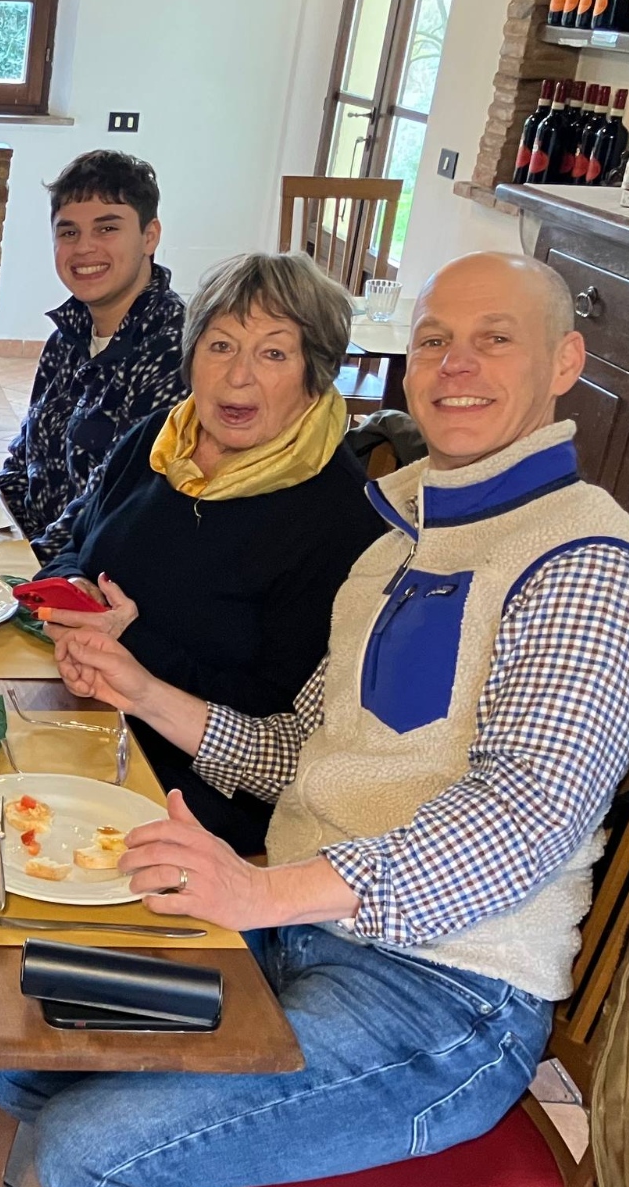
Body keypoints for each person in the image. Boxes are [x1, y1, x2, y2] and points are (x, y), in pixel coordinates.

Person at [0, 252, 629, 1187]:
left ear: (565, 362)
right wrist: (138, 688)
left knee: (85, 1155)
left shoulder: (588, 567)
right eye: (433, 340)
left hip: (445, 1001)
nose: (454, 366)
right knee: (11, 1028)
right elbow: (293, 755)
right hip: (298, 934)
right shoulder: (397, 542)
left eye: (494, 339)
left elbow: (519, 822)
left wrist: (257, 892)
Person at [36, 252, 383, 855]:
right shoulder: (160, 439)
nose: (238, 376)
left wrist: (128, 639)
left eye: (274, 354)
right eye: (220, 346)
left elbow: (276, 717)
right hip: (88, 713)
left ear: (316, 376)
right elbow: (76, 542)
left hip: (197, 795)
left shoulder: (341, 517)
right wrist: (77, 594)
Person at [0, 150, 189, 563]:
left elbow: (113, 504)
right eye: (68, 232)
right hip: (34, 553)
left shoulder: (174, 351)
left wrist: (15, 569)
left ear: (150, 236)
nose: (84, 247)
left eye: (107, 228)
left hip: (93, 573)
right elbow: (22, 463)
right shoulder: (65, 338)